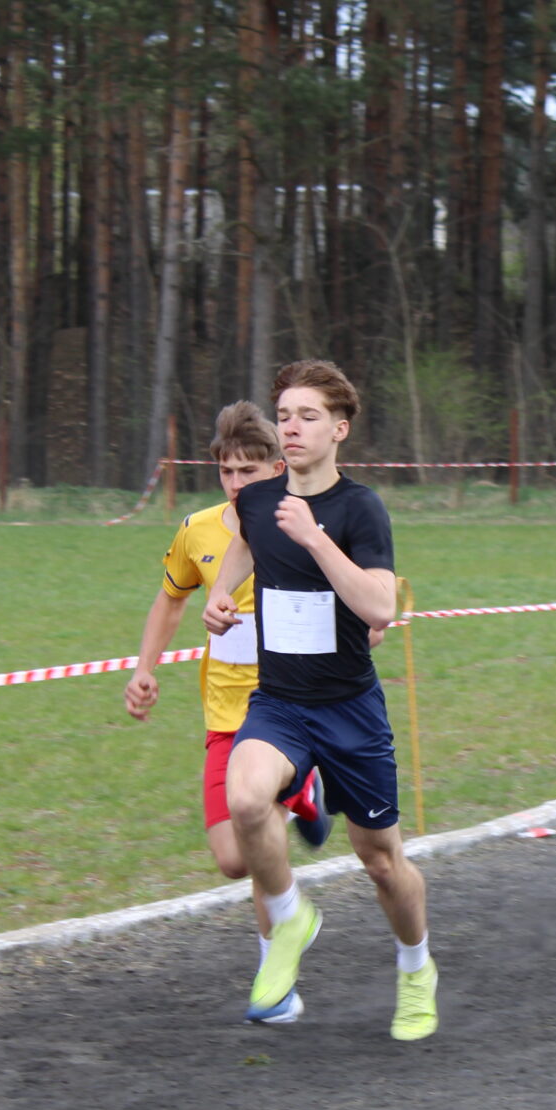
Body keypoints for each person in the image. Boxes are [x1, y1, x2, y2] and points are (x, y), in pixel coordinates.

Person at [204, 360, 437, 1040]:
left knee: (381, 861)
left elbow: (380, 607)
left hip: (349, 708)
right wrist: (220, 595)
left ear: (339, 429)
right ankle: (289, 917)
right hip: (280, 702)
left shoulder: (360, 509)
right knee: (246, 798)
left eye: (308, 416)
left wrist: (314, 538)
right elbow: (245, 544)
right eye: (284, 415)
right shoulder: (257, 500)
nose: (292, 427)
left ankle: (415, 967)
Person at [125, 404, 332, 909]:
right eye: (226, 471)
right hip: (224, 709)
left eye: (248, 471)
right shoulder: (196, 530)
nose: (235, 483)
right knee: (233, 860)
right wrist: (144, 669)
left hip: (289, 707)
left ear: (277, 468)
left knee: (258, 835)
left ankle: (280, 960)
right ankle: (302, 795)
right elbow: (171, 600)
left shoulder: (304, 525)